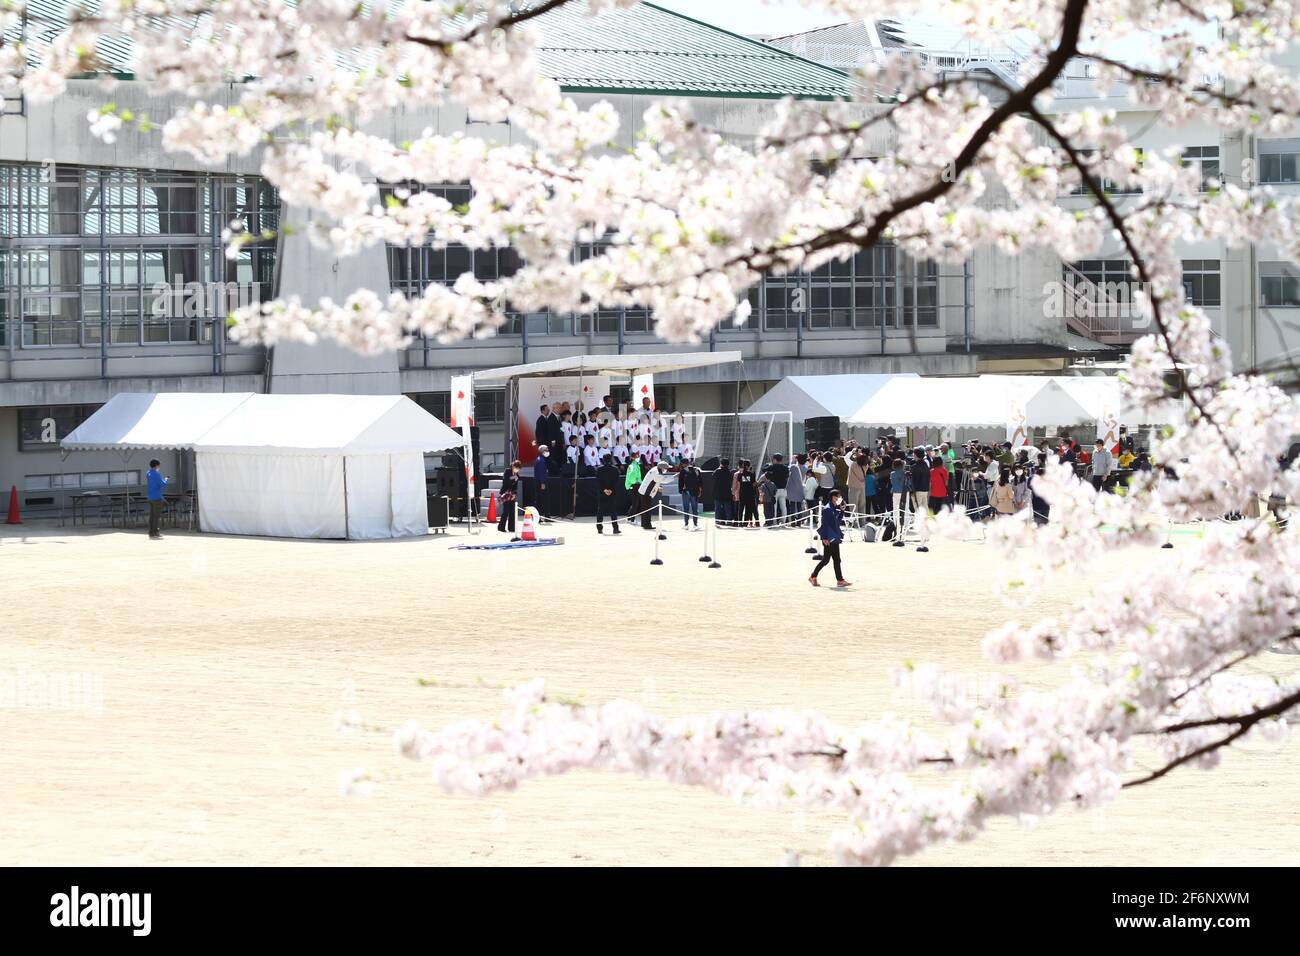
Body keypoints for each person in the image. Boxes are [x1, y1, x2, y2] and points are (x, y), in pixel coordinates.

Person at [809, 489, 851, 588]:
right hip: (828, 538)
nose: (839, 499)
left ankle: (840, 580)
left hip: (834, 537)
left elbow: (837, 521)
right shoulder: (827, 509)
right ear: (832, 497)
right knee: (826, 560)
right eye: (837, 497)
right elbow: (825, 524)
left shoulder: (833, 508)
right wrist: (824, 538)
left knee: (836, 559)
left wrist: (842, 511)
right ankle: (813, 576)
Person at [595, 454, 622, 535]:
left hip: (602, 492)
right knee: (613, 511)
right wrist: (610, 490)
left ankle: (599, 529)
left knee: (600, 511)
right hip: (612, 492)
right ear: (611, 459)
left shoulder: (599, 469)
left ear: (603, 459)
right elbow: (616, 481)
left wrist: (604, 490)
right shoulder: (615, 469)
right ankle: (615, 528)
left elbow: (598, 481)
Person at [146, 458, 169, 540]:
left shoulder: (148, 473)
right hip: (157, 497)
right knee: (156, 516)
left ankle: (151, 532)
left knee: (152, 516)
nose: (159, 466)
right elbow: (162, 484)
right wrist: (166, 479)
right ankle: (155, 532)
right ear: (156, 465)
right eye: (159, 465)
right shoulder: (156, 474)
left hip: (150, 497)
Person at [765, 454, 790, 525]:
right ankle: (783, 522)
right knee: (783, 506)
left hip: (774, 490)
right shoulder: (785, 468)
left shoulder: (772, 467)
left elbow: (764, 469)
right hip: (783, 489)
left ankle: (774, 522)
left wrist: (769, 465)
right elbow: (787, 478)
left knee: (774, 507)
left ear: (775, 459)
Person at [497, 460, 520, 535]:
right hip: (505, 493)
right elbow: (505, 482)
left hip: (512, 494)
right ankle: (501, 527)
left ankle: (511, 527)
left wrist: (514, 494)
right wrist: (513, 478)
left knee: (512, 511)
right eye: (516, 467)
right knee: (506, 510)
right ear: (513, 466)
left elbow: (515, 485)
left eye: (518, 468)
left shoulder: (517, 474)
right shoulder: (507, 471)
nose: (517, 469)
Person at [679, 458, 702, 530]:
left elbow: (680, 482)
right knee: (695, 508)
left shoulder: (683, 471)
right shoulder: (696, 470)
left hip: (686, 492)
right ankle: (695, 524)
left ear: (683, 463)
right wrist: (699, 491)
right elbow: (700, 481)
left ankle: (686, 525)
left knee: (686, 508)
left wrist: (680, 490)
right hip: (695, 492)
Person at [735, 459, 759, 527]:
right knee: (750, 509)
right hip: (750, 494)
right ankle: (750, 523)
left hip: (742, 493)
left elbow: (740, 482)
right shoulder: (751, 474)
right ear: (748, 466)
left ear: (743, 465)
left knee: (741, 509)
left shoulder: (740, 475)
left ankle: (740, 523)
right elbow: (754, 484)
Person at [533, 444, 553, 519]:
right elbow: (541, 472)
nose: (548, 451)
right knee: (542, 500)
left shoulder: (540, 459)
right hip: (541, 482)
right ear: (542, 451)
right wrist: (542, 483)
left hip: (539, 482)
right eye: (546, 450)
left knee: (540, 499)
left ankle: (542, 516)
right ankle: (544, 516)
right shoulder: (541, 460)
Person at [785, 454, 807, 523]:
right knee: (799, 506)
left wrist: (793, 461)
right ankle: (799, 521)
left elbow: (788, 470)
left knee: (793, 506)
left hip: (792, 489)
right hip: (801, 488)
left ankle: (793, 522)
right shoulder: (805, 468)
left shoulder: (794, 467)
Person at [712, 458, 734, 525]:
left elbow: (713, 477)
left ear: (721, 464)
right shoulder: (729, 472)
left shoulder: (717, 471)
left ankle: (718, 521)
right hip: (727, 493)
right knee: (727, 508)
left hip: (718, 493)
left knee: (717, 508)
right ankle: (729, 521)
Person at [625, 449, 644, 520]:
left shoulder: (636, 465)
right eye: (636, 457)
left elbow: (638, 476)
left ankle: (630, 518)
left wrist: (640, 482)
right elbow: (631, 475)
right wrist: (635, 482)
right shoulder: (632, 465)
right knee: (635, 503)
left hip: (637, 485)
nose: (638, 458)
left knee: (635, 503)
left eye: (638, 456)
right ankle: (630, 519)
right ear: (633, 458)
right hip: (634, 485)